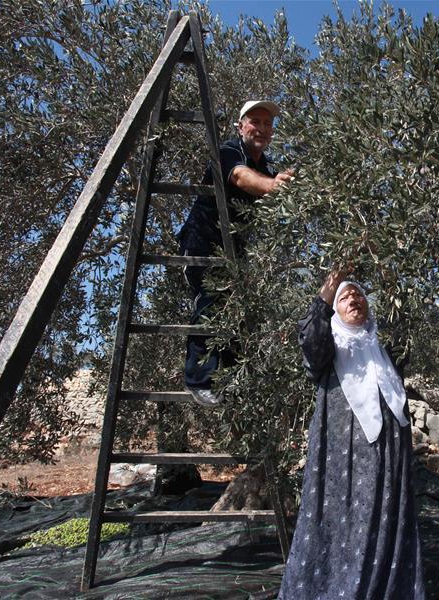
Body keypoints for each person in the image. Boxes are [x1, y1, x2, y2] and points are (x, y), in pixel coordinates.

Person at [279, 269, 425, 599]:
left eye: (358, 295)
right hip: (343, 462)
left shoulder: (385, 349)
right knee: (343, 522)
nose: (353, 300)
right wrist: (329, 290)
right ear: (335, 309)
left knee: (389, 519)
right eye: (345, 298)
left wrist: (387, 261)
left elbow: (403, 320)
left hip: (391, 456)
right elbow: (310, 336)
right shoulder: (328, 348)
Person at [176, 100, 294, 406]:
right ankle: (199, 379)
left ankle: (226, 383)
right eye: (255, 121)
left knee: (235, 312)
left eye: (268, 124)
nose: (262, 128)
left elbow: (272, 182)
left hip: (233, 252)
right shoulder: (229, 151)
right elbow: (242, 178)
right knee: (211, 305)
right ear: (240, 126)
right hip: (202, 245)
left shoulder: (266, 166)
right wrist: (273, 187)